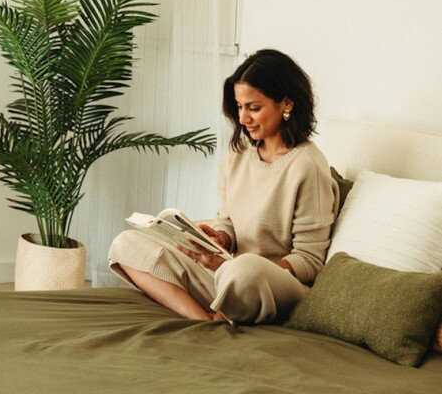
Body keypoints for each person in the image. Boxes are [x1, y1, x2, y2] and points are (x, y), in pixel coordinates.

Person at [108, 49, 338, 325]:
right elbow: (227, 222)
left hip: (270, 286)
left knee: (244, 269)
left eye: (254, 108)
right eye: (239, 107)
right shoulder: (239, 153)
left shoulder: (308, 167)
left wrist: (233, 267)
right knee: (126, 244)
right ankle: (203, 319)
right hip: (227, 272)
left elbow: (309, 260)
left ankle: (226, 301)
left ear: (286, 104)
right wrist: (219, 240)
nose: (243, 119)